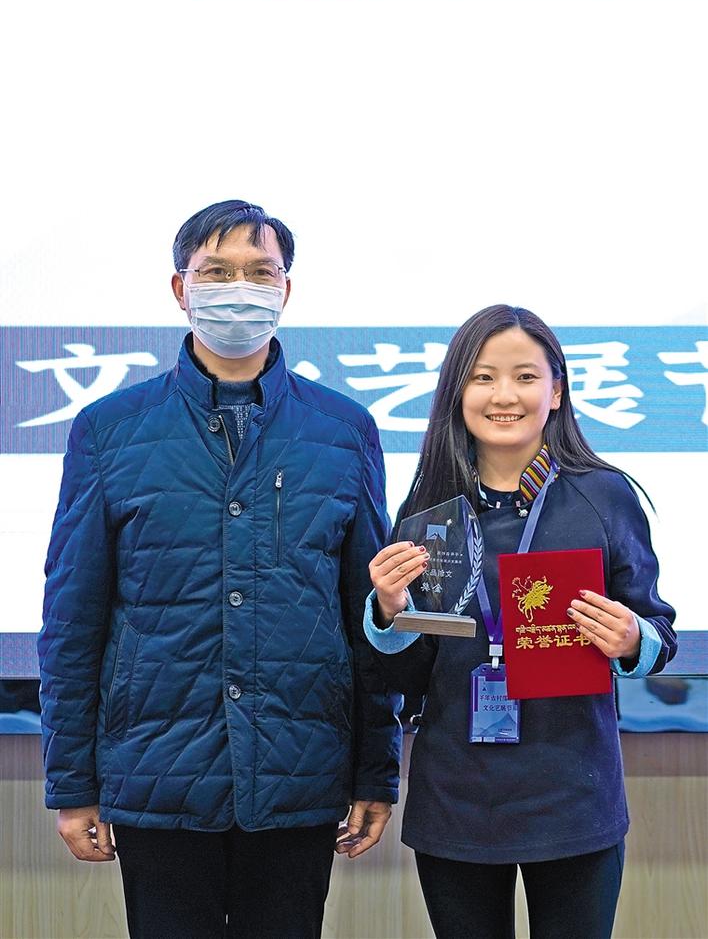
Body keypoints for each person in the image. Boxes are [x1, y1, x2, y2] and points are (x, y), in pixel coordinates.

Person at [38, 199, 402, 939]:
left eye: (260, 272)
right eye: (216, 271)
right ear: (181, 288)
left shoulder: (343, 430)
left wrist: (376, 768)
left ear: (286, 289)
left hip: (300, 770)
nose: (239, 288)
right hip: (157, 774)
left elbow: (366, 613)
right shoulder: (109, 430)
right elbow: (73, 618)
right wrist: (71, 783)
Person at [364, 305, 676, 939]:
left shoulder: (604, 495)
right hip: (457, 794)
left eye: (526, 377)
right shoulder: (428, 507)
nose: (504, 395)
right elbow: (408, 673)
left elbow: (657, 631)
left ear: (556, 391)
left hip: (574, 793)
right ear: (457, 393)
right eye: (483, 377)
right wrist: (388, 614)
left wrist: (631, 639)